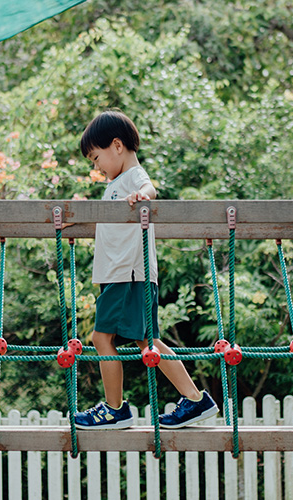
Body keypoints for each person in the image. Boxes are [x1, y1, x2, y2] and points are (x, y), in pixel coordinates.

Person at [73, 110, 218, 430]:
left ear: (117, 146)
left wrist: (143, 196)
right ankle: (195, 400)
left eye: (96, 158)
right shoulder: (115, 184)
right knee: (146, 342)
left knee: (101, 338)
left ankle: (115, 409)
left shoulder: (132, 177)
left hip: (127, 274)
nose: (96, 167)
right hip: (121, 275)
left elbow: (149, 188)